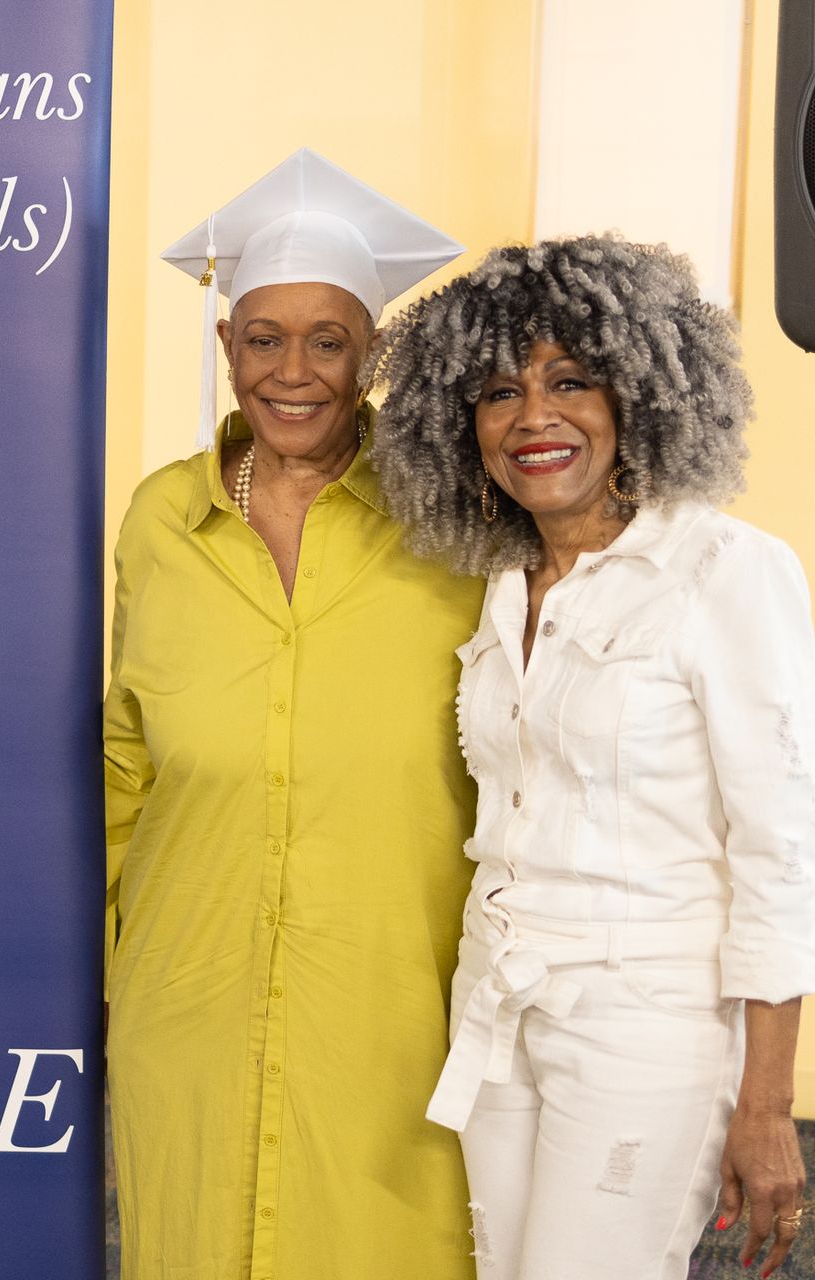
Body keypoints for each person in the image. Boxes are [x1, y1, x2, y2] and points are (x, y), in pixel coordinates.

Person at [370, 234, 815, 1280]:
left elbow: (780, 851)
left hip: (644, 1022)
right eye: (495, 391)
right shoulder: (494, 579)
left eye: (570, 380)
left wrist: (766, 1104)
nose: (533, 417)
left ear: (643, 395)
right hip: (498, 1002)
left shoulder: (723, 569)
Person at [104, 148, 483, 1278]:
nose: (295, 371)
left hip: (392, 1010)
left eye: (330, 339)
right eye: (264, 338)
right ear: (226, 346)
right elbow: (124, 760)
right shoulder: (161, 520)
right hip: (189, 1002)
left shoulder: (452, 521)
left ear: (372, 354)